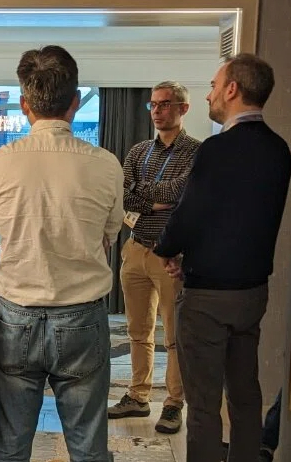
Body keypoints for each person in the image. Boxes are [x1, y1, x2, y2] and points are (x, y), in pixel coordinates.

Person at [0, 45, 124, 462]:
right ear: (75, 102)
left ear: (24, 103)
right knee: (89, 449)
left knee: (9, 446)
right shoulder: (106, 164)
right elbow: (110, 234)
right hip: (81, 314)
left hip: (15, 314)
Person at [154, 53, 291, 462]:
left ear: (232, 89)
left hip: (208, 297)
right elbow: (240, 218)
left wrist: (167, 249)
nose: (209, 94)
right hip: (253, 292)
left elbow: (189, 213)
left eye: (214, 86)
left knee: (203, 404)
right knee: (246, 394)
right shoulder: (279, 149)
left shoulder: (216, 149)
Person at [107, 81, 200, 434]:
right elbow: (125, 196)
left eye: (165, 104)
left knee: (174, 334)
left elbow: (182, 192)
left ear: (183, 108)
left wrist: (146, 195)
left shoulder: (195, 152)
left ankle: (174, 403)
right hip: (136, 248)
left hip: (173, 255)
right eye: (153, 105)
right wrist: (156, 200)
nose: (157, 111)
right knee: (138, 329)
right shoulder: (138, 151)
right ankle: (138, 395)